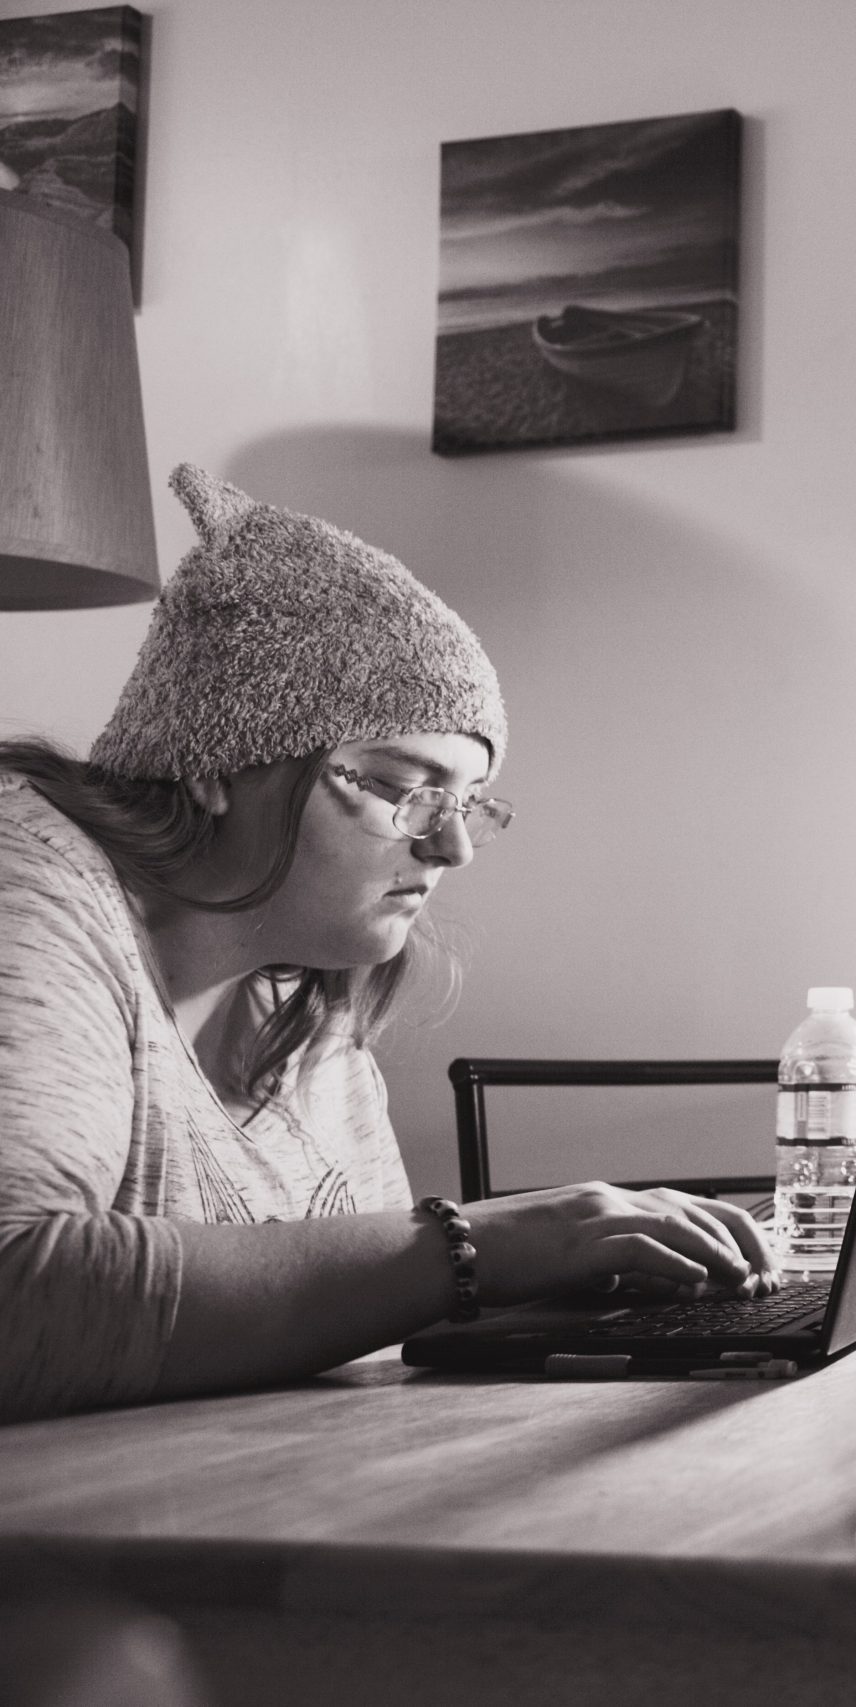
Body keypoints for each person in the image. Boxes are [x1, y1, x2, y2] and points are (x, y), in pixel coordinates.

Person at [0, 466, 774, 1425]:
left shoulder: (304, 994)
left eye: (467, 805)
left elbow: (356, 1325)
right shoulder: (26, 877)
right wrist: (481, 1245)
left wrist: (559, 1287)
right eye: (409, 788)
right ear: (214, 763)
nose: (450, 847)